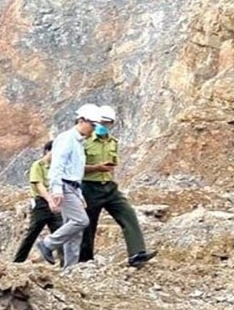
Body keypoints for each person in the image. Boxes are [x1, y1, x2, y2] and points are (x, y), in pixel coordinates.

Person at [80, 105, 155, 267]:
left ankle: (137, 253)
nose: (104, 126)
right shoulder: (84, 142)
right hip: (89, 187)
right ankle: (84, 261)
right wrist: (96, 168)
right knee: (88, 225)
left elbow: (113, 165)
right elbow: (76, 167)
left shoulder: (113, 142)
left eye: (108, 123)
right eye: (102, 122)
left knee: (128, 214)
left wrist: (107, 173)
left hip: (109, 186)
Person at [35, 104, 99, 271]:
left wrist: (79, 194)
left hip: (72, 187)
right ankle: (47, 244)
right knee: (81, 221)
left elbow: (74, 170)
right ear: (82, 120)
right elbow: (58, 164)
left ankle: (70, 269)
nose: (94, 129)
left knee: (74, 231)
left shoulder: (78, 142)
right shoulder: (66, 138)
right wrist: (56, 189)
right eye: (92, 125)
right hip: (64, 185)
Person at [11, 140, 63, 263]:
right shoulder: (38, 165)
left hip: (55, 202)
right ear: (47, 151)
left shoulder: (57, 167)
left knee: (59, 232)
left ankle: (64, 262)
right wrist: (49, 200)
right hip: (41, 203)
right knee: (32, 233)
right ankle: (18, 261)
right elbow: (39, 185)